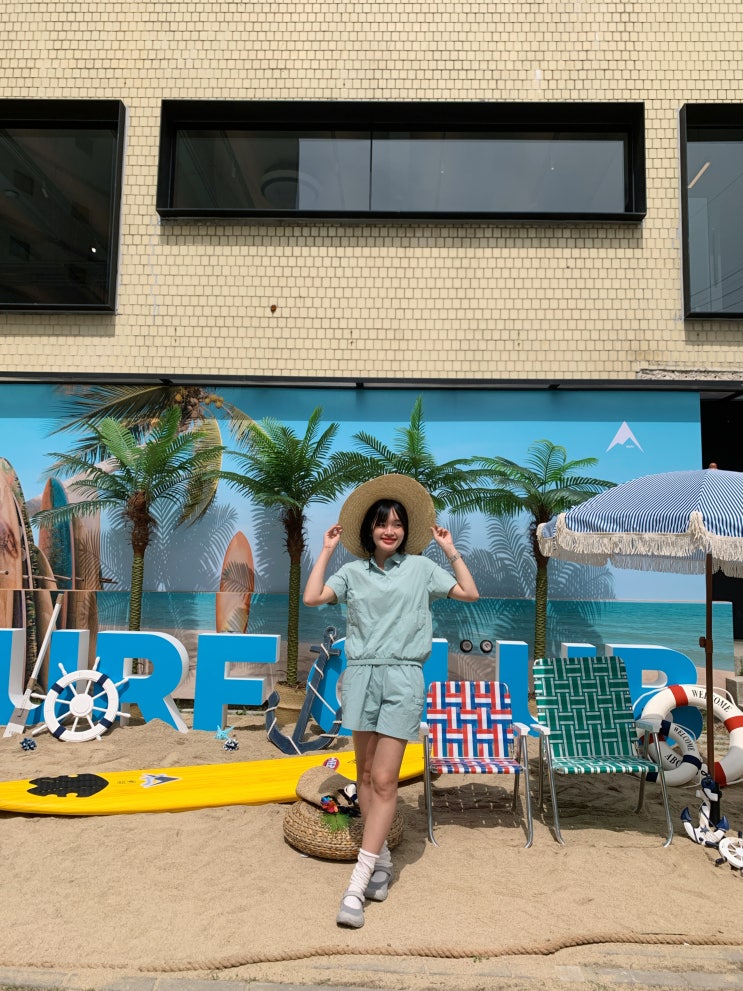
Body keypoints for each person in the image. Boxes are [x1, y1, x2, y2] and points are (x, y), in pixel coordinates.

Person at [303, 474, 479, 929]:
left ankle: (356, 885)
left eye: (398, 523)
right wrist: (326, 550)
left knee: (384, 779)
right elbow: (312, 597)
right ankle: (380, 862)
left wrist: (450, 550)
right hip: (361, 675)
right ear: (370, 529)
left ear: (406, 530)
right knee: (363, 774)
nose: (390, 530)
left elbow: (469, 592)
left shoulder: (420, 568)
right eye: (382, 523)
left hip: (403, 676)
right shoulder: (352, 572)